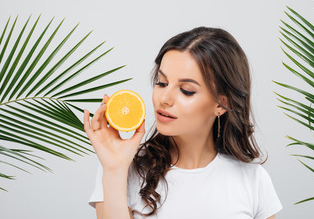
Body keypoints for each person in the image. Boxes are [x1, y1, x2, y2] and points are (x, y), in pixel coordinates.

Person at [84, 27, 282, 219]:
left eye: (186, 90)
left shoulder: (254, 180)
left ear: (221, 104)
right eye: (161, 83)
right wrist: (114, 169)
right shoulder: (122, 168)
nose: (164, 98)